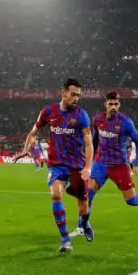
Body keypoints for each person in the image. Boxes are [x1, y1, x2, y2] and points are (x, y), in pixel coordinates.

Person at [70, 92, 138, 238]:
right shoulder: (97, 119)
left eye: (116, 104)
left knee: (132, 201)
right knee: (87, 195)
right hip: (100, 163)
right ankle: (81, 227)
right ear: (105, 104)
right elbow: (95, 140)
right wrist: (90, 160)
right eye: (110, 104)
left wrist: (136, 164)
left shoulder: (126, 122)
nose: (113, 107)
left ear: (119, 105)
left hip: (119, 166)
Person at [21, 78, 93, 253]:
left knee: (84, 208)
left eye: (78, 95)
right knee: (55, 195)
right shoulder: (48, 111)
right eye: (73, 94)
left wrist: (88, 167)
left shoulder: (81, 115)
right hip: (57, 165)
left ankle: (84, 223)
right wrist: (25, 149)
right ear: (63, 93)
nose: (76, 99)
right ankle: (65, 239)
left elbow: (89, 144)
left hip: (77, 166)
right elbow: (33, 132)